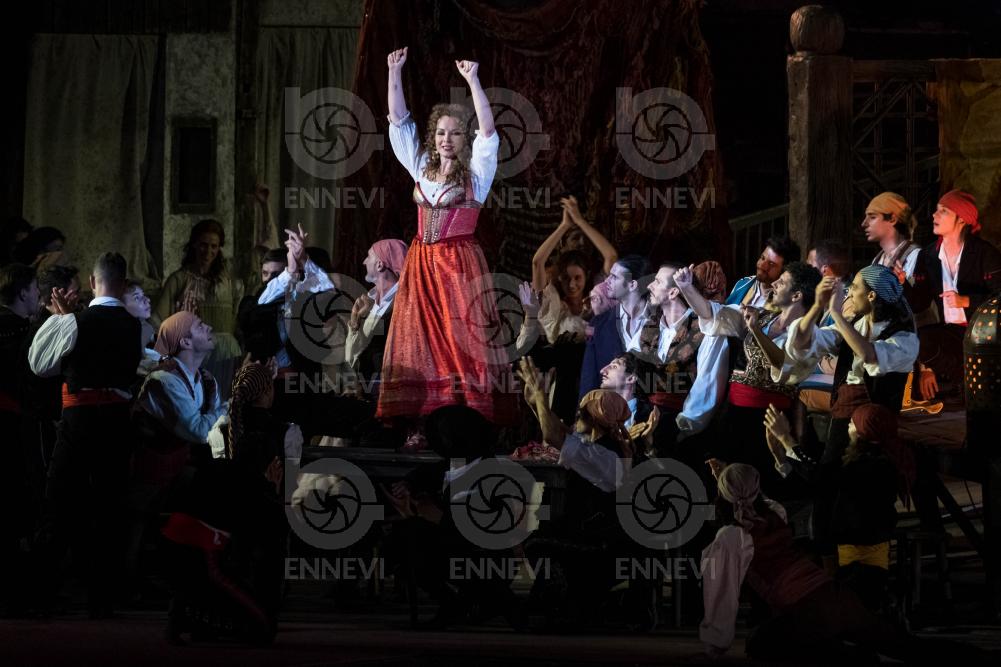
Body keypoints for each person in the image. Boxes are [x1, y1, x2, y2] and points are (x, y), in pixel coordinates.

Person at [700, 463, 986, 662]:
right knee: (906, 646)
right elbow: (752, 497)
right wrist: (731, 479)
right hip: (837, 595)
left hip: (809, 611)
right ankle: (978, 657)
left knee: (759, 644)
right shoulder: (775, 513)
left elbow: (722, 595)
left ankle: (844, 655)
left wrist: (715, 644)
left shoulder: (731, 538)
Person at [378, 48, 514, 423]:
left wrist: (473, 80)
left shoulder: (477, 174)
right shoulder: (421, 166)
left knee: (459, 340)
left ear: (463, 139)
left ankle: (464, 415)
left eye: (454, 133)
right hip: (422, 264)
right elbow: (398, 120)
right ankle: (423, 418)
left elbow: (488, 132)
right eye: (440, 132)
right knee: (420, 338)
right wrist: (394, 72)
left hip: (457, 265)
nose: (446, 139)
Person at [28, 252, 142, 617]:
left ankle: (41, 592)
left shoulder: (76, 321)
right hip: (117, 422)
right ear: (123, 284)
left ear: (93, 283)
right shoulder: (136, 325)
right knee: (110, 506)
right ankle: (103, 597)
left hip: (79, 420)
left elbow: (41, 366)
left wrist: (63, 323)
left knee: (59, 502)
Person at [162, 361, 286, 645]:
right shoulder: (256, 448)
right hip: (200, 548)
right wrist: (269, 487)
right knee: (262, 629)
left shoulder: (222, 434)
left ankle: (192, 612)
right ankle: (190, 614)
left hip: (181, 540)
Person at [676, 262, 820, 497]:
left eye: (782, 281)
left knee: (758, 488)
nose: (774, 283)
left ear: (796, 296)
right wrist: (686, 288)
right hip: (734, 414)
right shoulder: (760, 316)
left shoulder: (809, 334)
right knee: (724, 483)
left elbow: (783, 364)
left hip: (767, 420)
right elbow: (713, 314)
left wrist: (756, 331)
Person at [909, 190, 1001, 399]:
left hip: (986, 334)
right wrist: (902, 285)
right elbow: (919, 303)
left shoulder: (984, 253)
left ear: (962, 219)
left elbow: (999, 297)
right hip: (953, 334)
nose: (934, 215)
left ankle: (975, 386)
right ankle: (965, 382)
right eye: (936, 210)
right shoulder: (928, 255)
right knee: (918, 340)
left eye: (943, 211)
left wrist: (966, 301)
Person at [640, 261, 729, 449]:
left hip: (677, 424)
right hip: (644, 417)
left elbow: (707, 384)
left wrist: (683, 428)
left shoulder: (705, 329)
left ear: (673, 292)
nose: (649, 286)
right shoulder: (650, 325)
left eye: (657, 282)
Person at [154, 219, 244, 399]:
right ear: (194, 244)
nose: (208, 251)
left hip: (226, 353)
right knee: (196, 399)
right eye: (203, 245)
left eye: (214, 246)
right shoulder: (179, 279)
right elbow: (159, 318)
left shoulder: (230, 282)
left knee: (224, 401)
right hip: (194, 353)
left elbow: (237, 317)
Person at [0, 263, 39, 613]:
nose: (39, 294)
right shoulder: (22, 332)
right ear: (24, 291)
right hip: (11, 426)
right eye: (36, 288)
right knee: (13, 502)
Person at [578, 255, 651, 398]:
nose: (606, 281)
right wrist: (585, 408)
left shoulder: (661, 320)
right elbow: (589, 376)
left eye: (614, 277)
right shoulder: (599, 324)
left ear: (632, 284)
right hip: (608, 407)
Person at [344, 239, 408, 391]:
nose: (364, 261)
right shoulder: (368, 300)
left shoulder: (403, 303)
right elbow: (351, 357)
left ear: (380, 264)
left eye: (369, 256)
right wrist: (355, 322)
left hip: (386, 390)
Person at [725, 236, 800, 307]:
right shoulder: (743, 283)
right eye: (763, 258)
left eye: (771, 264)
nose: (762, 265)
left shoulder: (787, 302)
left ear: (785, 270)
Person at [123, 279, 158, 375]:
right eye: (137, 298)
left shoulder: (146, 326)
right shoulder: (121, 334)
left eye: (144, 295)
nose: (147, 300)